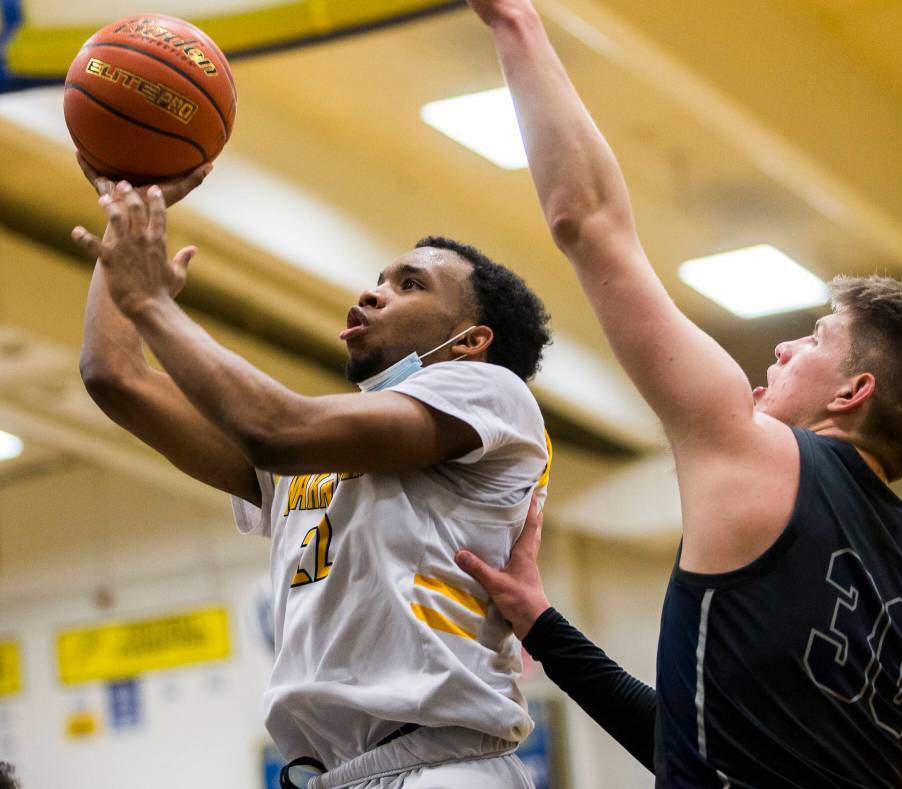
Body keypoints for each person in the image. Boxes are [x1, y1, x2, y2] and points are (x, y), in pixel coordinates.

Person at [455, 1, 902, 787]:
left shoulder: (756, 451)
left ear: (853, 391)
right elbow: (694, 742)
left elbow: (588, 221)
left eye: (812, 338)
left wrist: (516, 25)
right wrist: (542, 623)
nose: (782, 348)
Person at [72, 162, 552, 789]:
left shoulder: (494, 395)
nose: (372, 293)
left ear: (469, 341)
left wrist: (150, 302)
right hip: (331, 773)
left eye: (410, 285)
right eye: (377, 278)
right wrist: (125, 232)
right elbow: (115, 376)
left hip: (443, 765)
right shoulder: (319, 449)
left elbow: (276, 428)